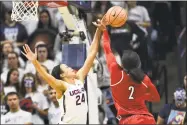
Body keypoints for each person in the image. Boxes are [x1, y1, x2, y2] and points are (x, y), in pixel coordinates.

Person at [21, 19, 105, 124]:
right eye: (67, 68)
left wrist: (98, 30)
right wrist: (34, 61)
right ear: (62, 74)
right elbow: (46, 76)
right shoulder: (62, 86)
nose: (70, 68)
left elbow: (92, 54)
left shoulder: (79, 78)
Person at [99, 20, 160, 124]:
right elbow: (156, 98)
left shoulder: (117, 77)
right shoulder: (143, 78)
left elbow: (107, 49)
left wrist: (104, 31)